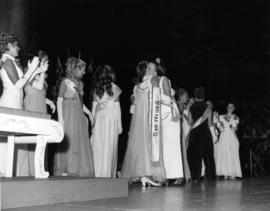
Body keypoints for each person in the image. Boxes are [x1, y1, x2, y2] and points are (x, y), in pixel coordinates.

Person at [0, 33, 46, 176]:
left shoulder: (11, 61)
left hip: (16, 103)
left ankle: (9, 173)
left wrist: (38, 70)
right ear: (7, 46)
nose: (19, 48)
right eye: (15, 45)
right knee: (6, 142)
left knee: (12, 140)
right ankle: (3, 173)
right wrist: (32, 69)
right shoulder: (7, 62)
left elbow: (24, 81)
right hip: (9, 103)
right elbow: (19, 84)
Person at [121, 61, 165, 187]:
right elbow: (133, 108)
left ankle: (149, 173)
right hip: (140, 121)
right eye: (149, 68)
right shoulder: (138, 86)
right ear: (145, 70)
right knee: (140, 144)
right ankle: (141, 173)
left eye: (154, 69)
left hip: (152, 120)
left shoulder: (155, 82)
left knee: (151, 144)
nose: (151, 71)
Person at [54, 57, 95, 177]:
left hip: (78, 116)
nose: (84, 72)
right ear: (75, 69)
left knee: (78, 143)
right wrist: (60, 120)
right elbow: (59, 101)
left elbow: (80, 103)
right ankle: (67, 170)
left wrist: (89, 113)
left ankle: (77, 170)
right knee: (69, 141)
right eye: (82, 69)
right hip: (68, 115)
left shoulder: (81, 84)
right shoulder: (65, 82)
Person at [24, 50, 56, 176]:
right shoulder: (30, 72)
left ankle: (40, 169)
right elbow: (37, 87)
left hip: (41, 106)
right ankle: (32, 170)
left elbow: (40, 93)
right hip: (32, 107)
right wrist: (42, 71)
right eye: (46, 61)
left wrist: (49, 102)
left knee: (42, 139)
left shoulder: (40, 74)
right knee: (34, 138)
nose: (48, 64)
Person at [155, 60, 184, 185]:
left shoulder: (164, 79)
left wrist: (156, 97)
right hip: (160, 115)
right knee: (164, 146)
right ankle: (165, 174)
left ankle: (178, 175)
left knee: (173, 145)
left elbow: (168, 99)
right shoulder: (153, 81)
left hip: (169, 115)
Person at [91, 65, 122, 178]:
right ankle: (108, 174)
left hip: (100, 119)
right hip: (111, 119)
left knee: (99, 145)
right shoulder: (115, 88)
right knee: (110, 145)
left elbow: (94, 108)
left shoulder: (96, 89)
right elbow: (117, 108)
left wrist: (92, 124)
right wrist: (119, 125)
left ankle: (98, 173)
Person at [186, 87, 216, 183]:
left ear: (195, 97)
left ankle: (195, 177)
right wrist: (214, 135)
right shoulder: (208, 108)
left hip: (194, 134)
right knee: (208, 156)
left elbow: (190, 122)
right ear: (204, 96)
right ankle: (210, 177)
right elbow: (210, 123)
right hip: (205, 133)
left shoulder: (191, 107)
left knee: (194, 156)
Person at [215, 103, 242, 179]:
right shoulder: (221, 117)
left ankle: (232, 173)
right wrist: (217, 119)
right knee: (224, 154)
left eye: (232, 107)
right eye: (229, 106)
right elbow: (220, 127)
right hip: (223, 137)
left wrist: (233, 127)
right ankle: (226, 174)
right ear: (227, 108)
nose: (230, 108)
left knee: (232, 153)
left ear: (234, 108)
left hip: (232, 137)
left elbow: (235, 128)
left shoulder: (236, 117)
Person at [177, 88, 191, 181]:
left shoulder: (180, 105)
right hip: (177, 131)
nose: (187, 99)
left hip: (179, 130)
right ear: (181, 97)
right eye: (186, 97)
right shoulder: (179, 105)